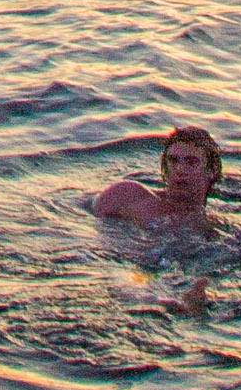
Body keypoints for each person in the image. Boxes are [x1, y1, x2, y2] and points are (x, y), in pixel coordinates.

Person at [88, 125, 222, 314]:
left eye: (191, 162)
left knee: (197, 287)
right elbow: (88, 224)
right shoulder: (128, 196)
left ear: (212, 171)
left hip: (168, 272)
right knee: (130, 284)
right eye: (173, 161)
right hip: (126, 267)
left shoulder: (211, 232)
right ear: (164, 167)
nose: (180, 169)